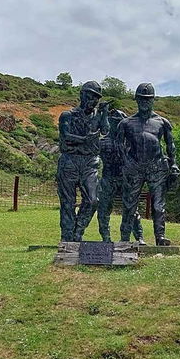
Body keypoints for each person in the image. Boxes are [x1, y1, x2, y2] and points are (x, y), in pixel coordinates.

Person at [116, 83, 179, 246]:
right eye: (142, 99)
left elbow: (170, 145)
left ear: (153, 100)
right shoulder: (126, 123)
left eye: (148, 99)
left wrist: (174, 164)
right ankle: (125, 238)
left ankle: (160, 237)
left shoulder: (162, 122)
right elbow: (118, 145)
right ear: (136, 99)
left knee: (158, 205)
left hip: (156, 167)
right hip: (134, 167)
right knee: (129, 204)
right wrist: (125, 162)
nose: (145, 102)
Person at [56, 81, 108, 242]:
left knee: (93, 200)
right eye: (91, 97)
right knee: (68, 202)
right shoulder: (67, 115)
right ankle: (67, 238)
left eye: (96, 99)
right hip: (69, 161)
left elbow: (105, 130)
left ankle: (78, 230)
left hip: (89, 163)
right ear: (82, 95)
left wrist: (104, 114)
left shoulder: (97, 116)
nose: (94, 101)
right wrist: (85, 139)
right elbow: (65, 137)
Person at [97, 109, 145, 244]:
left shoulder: (130, 143)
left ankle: (139, 237)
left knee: (132, 210)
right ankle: (106, 238)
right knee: (103, 209)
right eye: (115, 121)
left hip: (125, 179)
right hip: (108, 179)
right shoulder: (102, 142)